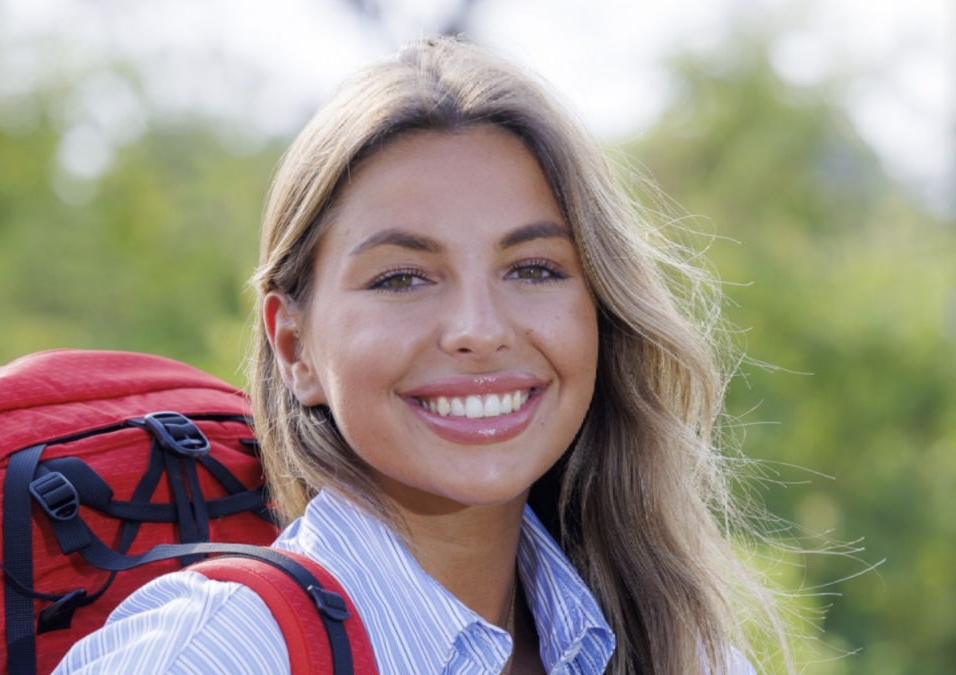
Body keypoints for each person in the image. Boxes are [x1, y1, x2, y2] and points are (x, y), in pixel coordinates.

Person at [54, 36, 791, 675]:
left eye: (533, 268)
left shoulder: (684, 650)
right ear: (294, 347)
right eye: (401, 277)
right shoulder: (213, 653)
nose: (478, 329)